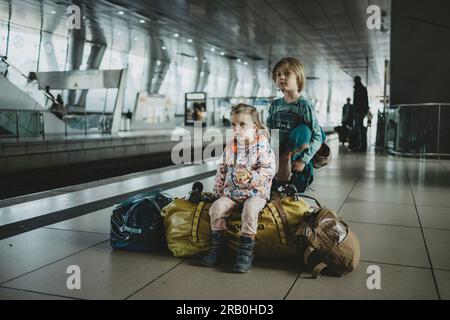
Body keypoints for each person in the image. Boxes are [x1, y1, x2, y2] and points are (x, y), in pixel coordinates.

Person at [201, 103, 276, 273]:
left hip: (255, 192)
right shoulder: (231, 146)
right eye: (233, 124)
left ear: (255, 127)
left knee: (249, 211)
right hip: (232, 192)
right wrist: (218, 193)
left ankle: (245, 252)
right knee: (216, 209)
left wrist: (252, 177)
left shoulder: (262, 146)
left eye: (242, 124)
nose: (237, 129)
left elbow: (269, 170)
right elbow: (222, 170)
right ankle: (218, 246)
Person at [266, 57, 326, 193]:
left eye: (287, 73)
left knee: (303, 130)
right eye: (278, 74)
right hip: (280, 156)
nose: (282, 77)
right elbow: (271, 134)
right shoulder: (275, 105)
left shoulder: (304, 105)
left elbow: (317, 135)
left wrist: (304, 160)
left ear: (298, 78)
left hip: (298, 160)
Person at [352, 76, 369, 152]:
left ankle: (361, 146)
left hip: (359, 112)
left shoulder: (359, 89)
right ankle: (361, 145)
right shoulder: (362, 89)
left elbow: (358, 102)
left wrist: (356, 111)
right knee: (360, 129)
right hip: (361, 111)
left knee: (360, 129)